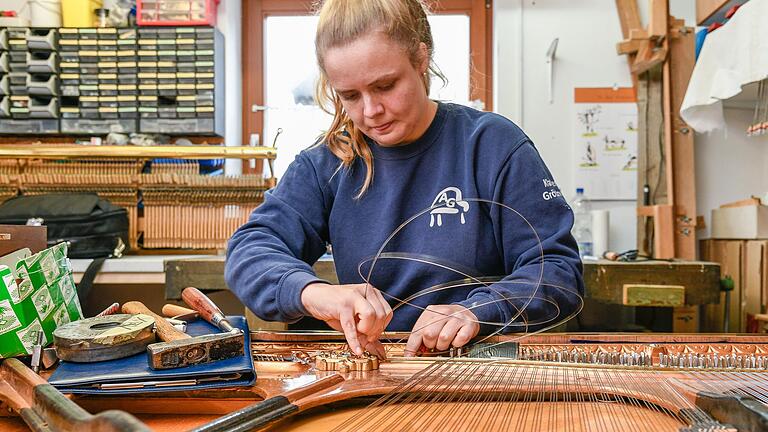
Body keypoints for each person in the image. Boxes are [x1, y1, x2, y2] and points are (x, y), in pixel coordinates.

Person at [226, 0, 584, 358]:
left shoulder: (492, 145)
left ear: (420, 59)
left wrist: (478, 311)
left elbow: (557, 271)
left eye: (385, 86)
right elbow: (250, 250)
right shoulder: (327, 162)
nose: (370, 111)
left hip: (481, 371)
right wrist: (314, 293)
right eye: (350, 95)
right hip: (376, 374)